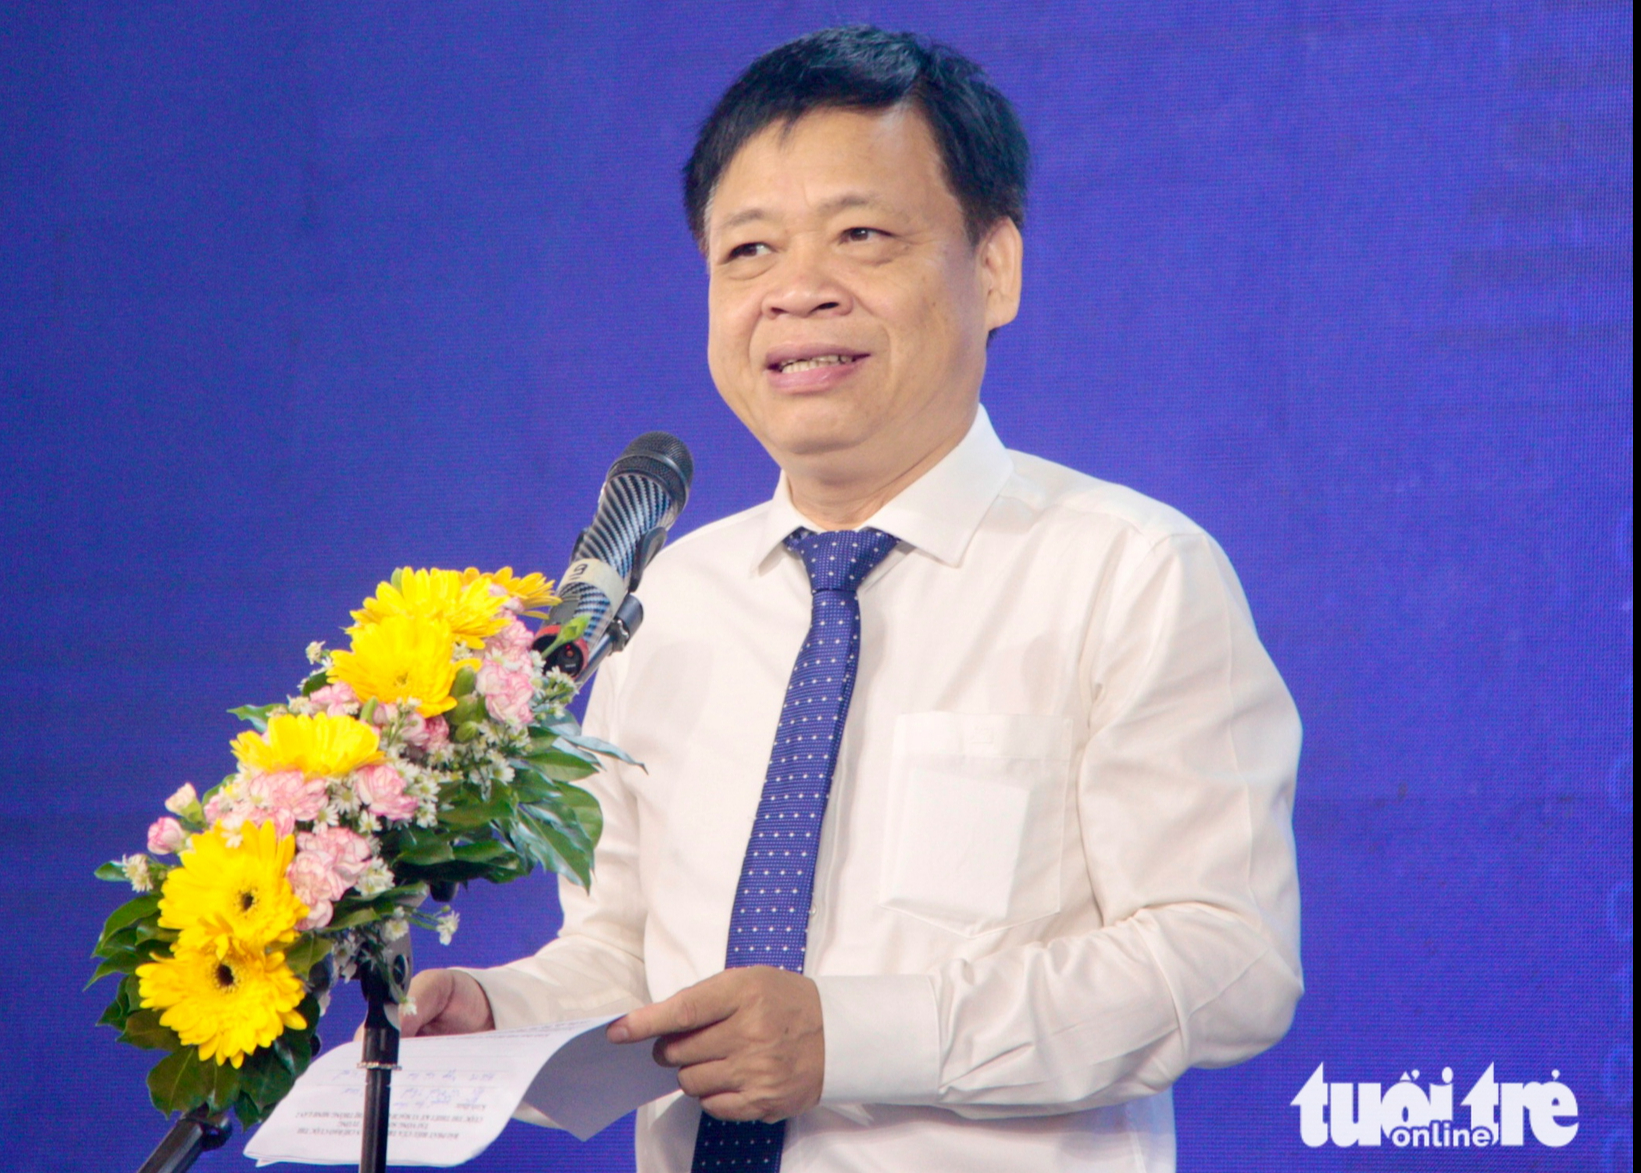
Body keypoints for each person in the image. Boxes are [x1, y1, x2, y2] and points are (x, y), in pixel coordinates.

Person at [399, 26, 1303, 1173]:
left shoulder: (1129, 572)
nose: (796, 294)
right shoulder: (665, 598)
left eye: (862, 236)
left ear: (994, 269)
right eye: (748, 253)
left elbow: (1225, 964)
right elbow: (632, 959)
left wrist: (856, 1039)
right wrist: (495, 1017)